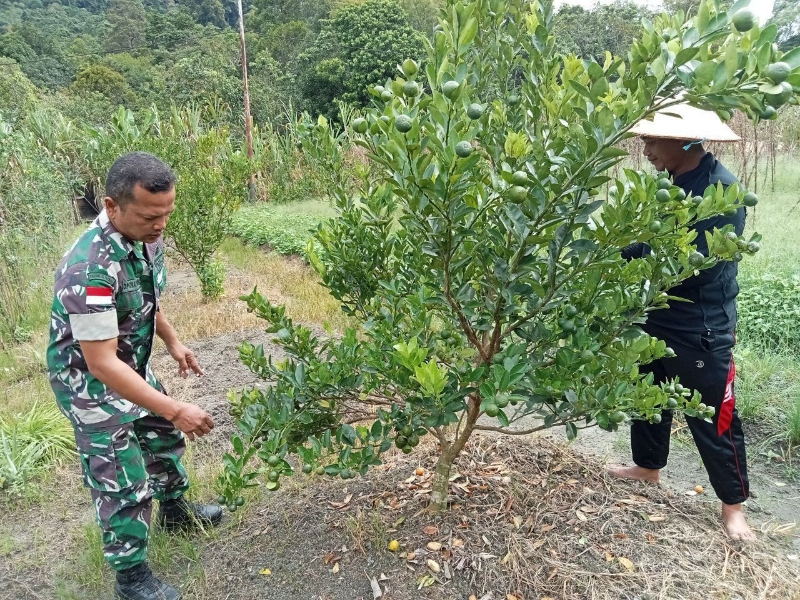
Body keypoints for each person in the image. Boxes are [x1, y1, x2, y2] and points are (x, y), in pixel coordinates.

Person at [47, 152, 222, 600]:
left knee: (162, 435)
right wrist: (177, 406)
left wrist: (173, 342)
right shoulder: (88, 268)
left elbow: (147, 297)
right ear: (111, 206)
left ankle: (177, 512)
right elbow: (102, 364)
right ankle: (132, 577)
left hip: (130, 363)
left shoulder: (145, 235)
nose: (161, 224)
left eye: (167, 213)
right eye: (150, 215)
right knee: (120, 477)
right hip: (89, 383)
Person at [607, 103, 755, 542]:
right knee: (648, 393)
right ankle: (647, 468)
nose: (646, 148)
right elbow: (648, 239)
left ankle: (733, 507)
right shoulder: (667, 184)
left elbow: (701, 265)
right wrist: (609, 253)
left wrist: (640, 261)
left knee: (713, 414)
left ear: (686, 141)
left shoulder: (721, 192)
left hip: (700, 324)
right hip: (656, 310)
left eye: (653, 140)